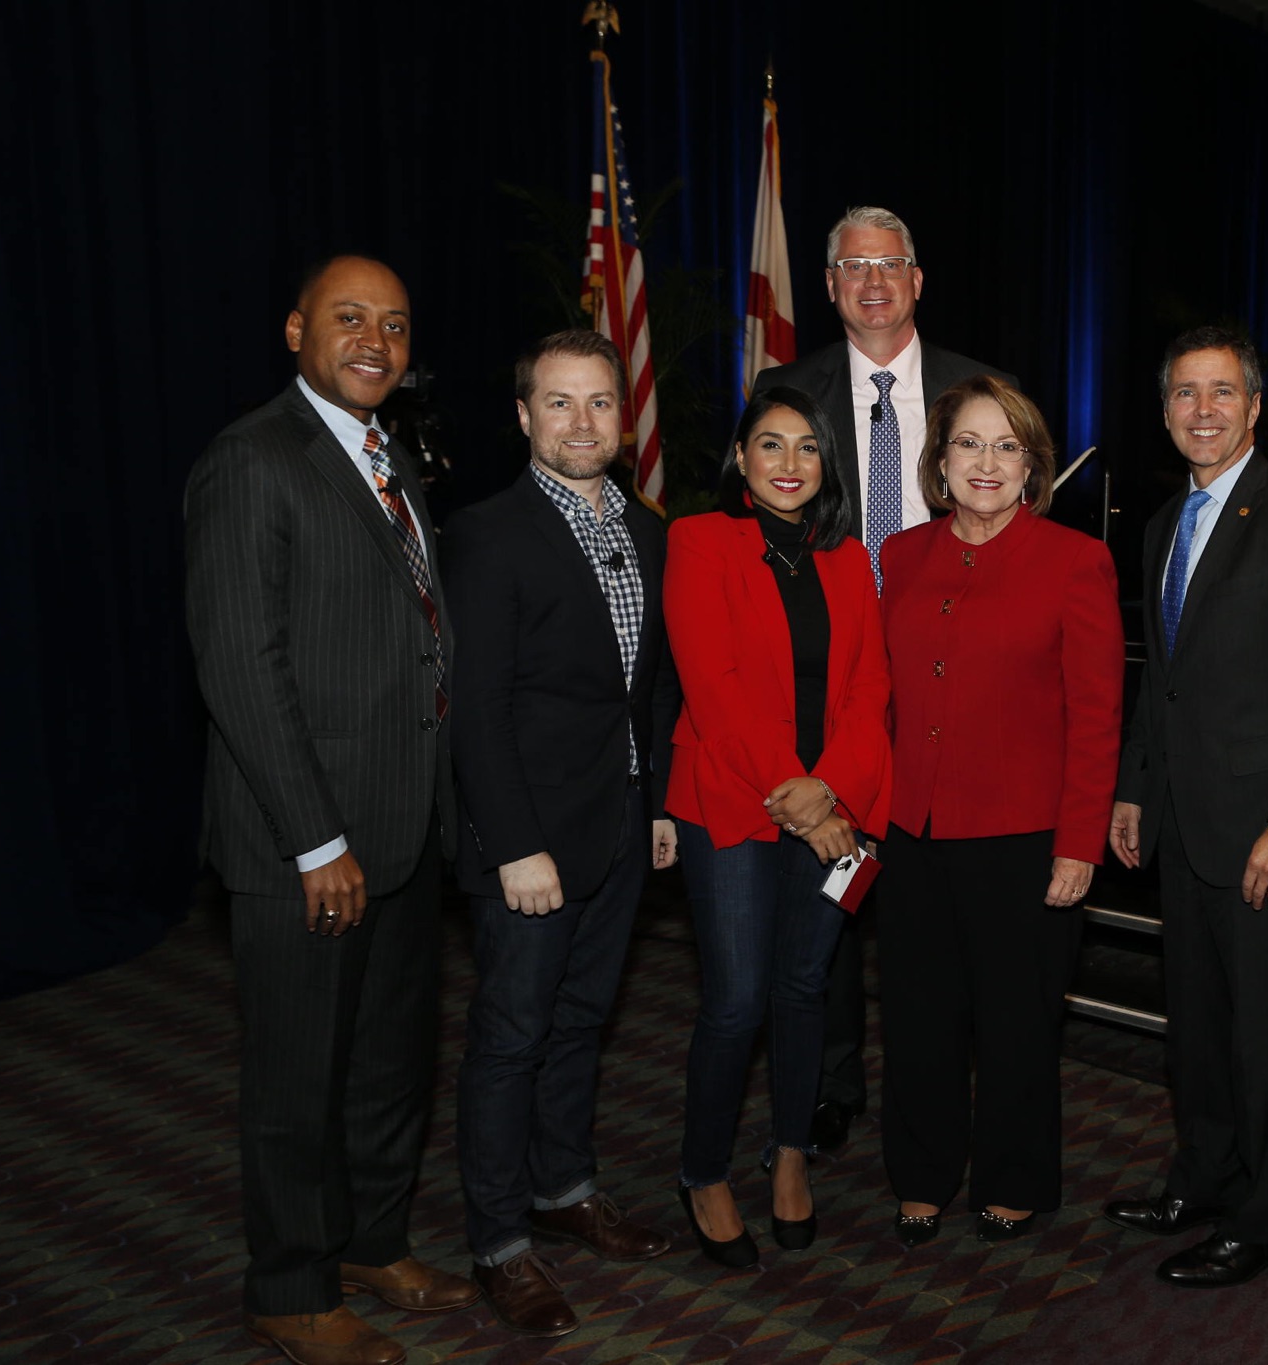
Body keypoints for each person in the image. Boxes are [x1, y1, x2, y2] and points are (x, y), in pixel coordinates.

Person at [184, 255, 476, 1365]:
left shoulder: (390, 453)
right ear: (296, 327)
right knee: (300, 1075)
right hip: (307, 847)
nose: (375, 341)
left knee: (389, 1061)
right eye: (350, 319)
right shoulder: (252, 461)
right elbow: (240, 669)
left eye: (395, 325)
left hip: (403, 831)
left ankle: (368, 1244)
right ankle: (291, 1286)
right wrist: (318, 842)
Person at [752, 206, 1015, 1152]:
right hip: (830, 688)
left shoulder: (979, 392)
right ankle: (829, 1086)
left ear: (918, 277)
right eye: (852, 265)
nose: (872, 280)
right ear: (826, 285)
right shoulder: (787, 390)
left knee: (937, 912)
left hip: (954, 689)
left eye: (890, 263)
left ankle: (941, 1087)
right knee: (825, 893)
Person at [1104, 325, 1268, 1288]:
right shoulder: (1164, 525)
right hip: (1187, 825)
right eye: (1183, 393)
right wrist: (1135, 786)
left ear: (1257, 407)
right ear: (1165, 410)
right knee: (1200, 1028)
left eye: (1222, 392)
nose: (1202, 410)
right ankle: (1203, 1176)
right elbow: (1160, 682)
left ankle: (1266, 1218)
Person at [445, 330, 680, 1335]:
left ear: (622, 420)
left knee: (582, 1021)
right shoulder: (487, 534)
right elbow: (476, 706)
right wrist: (511, 844)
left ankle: (562, 1189)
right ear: (522, 416)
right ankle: (498, 1242)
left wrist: (662, 803)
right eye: (558, 403)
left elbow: (653, 688)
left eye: (598, 404)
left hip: (622, 822)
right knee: (511, 1036)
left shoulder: (646, 524)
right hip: (530, 841)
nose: (580, 423)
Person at [876, 377, 1125, 1246]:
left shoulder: (1073, 560)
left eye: (1006, 446)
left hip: (1025, 839)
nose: (986, 462)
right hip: (911, 833)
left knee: (1019, 1021)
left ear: (1032, 467)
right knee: (916, 1014)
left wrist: (1078, 842)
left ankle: (1013, 1174)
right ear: (939, 461)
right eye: (968, 444)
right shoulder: (900, 557)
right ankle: (921, 1171)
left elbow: (1096, 715)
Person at [663, 387, 893, 1267]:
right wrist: (795, 793)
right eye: (770, 445)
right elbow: (711, 686)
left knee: (804, 988)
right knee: (734, 1000)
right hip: (731, 800)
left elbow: (871, 690)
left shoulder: (847, 560)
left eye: (806, 447)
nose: (790, 463)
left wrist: (829, 792)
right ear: (741, 458)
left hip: (834, 811)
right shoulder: (701, 540)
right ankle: (704, 1171)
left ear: (827, 464)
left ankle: (791, 1155)